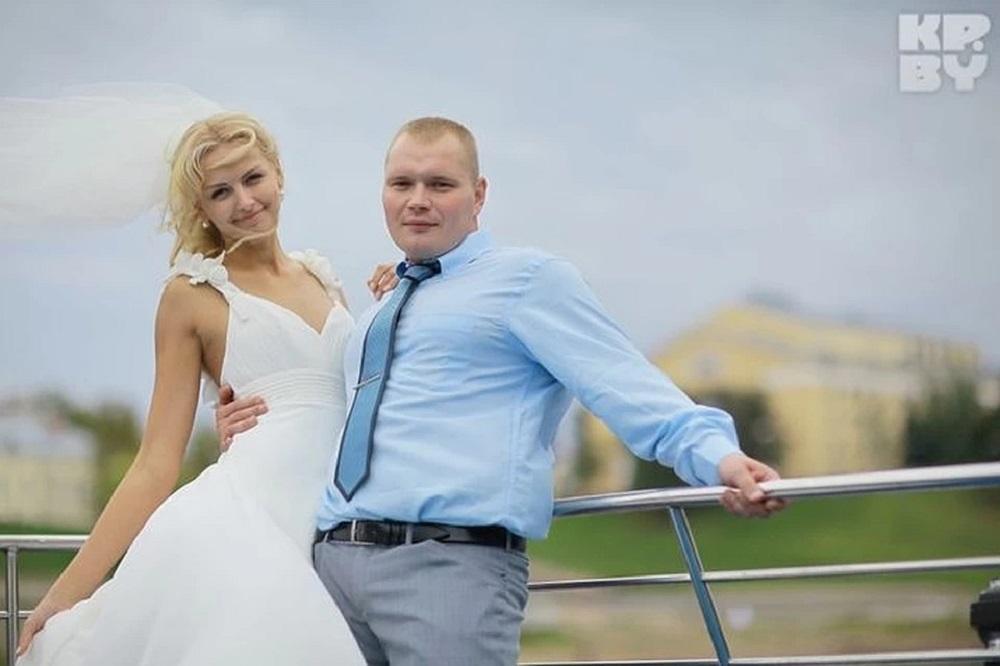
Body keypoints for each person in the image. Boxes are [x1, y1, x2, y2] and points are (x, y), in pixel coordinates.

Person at [217, 116, 787, 665]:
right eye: (402, 184)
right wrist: (253, 432)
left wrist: (719, 459)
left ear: (479, 194)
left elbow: (623, 382)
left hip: (448, 570)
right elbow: (352, 419)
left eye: (440, 184)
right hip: (333, 568)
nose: (418, 200)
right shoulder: (379, 308)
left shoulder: (528, 281)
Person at [16, 112, 398, 665]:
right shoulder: (190, 296)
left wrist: (404, 285)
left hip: (337, 519)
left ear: (279, 175)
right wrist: (64, 592)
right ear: (202, 208)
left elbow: (359, 392)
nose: (244, 201)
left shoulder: (324, 277)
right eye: (221, 191)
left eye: (253, 178)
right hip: (249, 520)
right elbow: (156, 460)